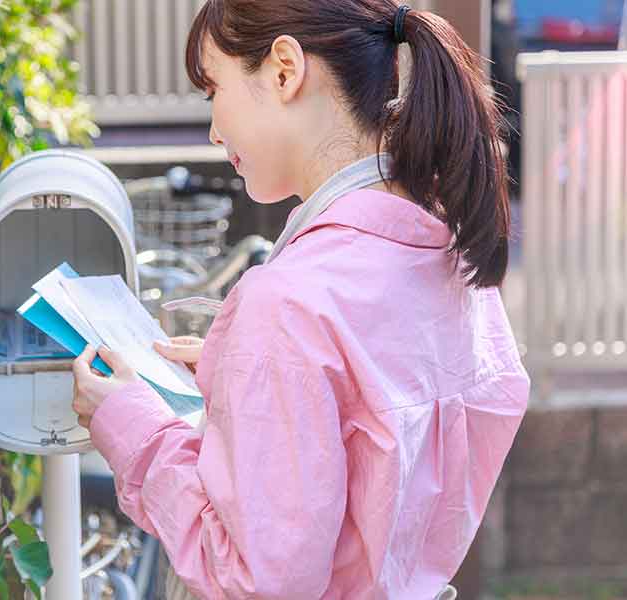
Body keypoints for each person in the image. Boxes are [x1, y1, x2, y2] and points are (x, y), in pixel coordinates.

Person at [72, 1, 530, 598]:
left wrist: (134, 425)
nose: (213, 129)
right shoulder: (447, 243)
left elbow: (257, 581)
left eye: (214, 88)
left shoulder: (287, 304)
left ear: (285, 70)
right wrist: (239, 368)